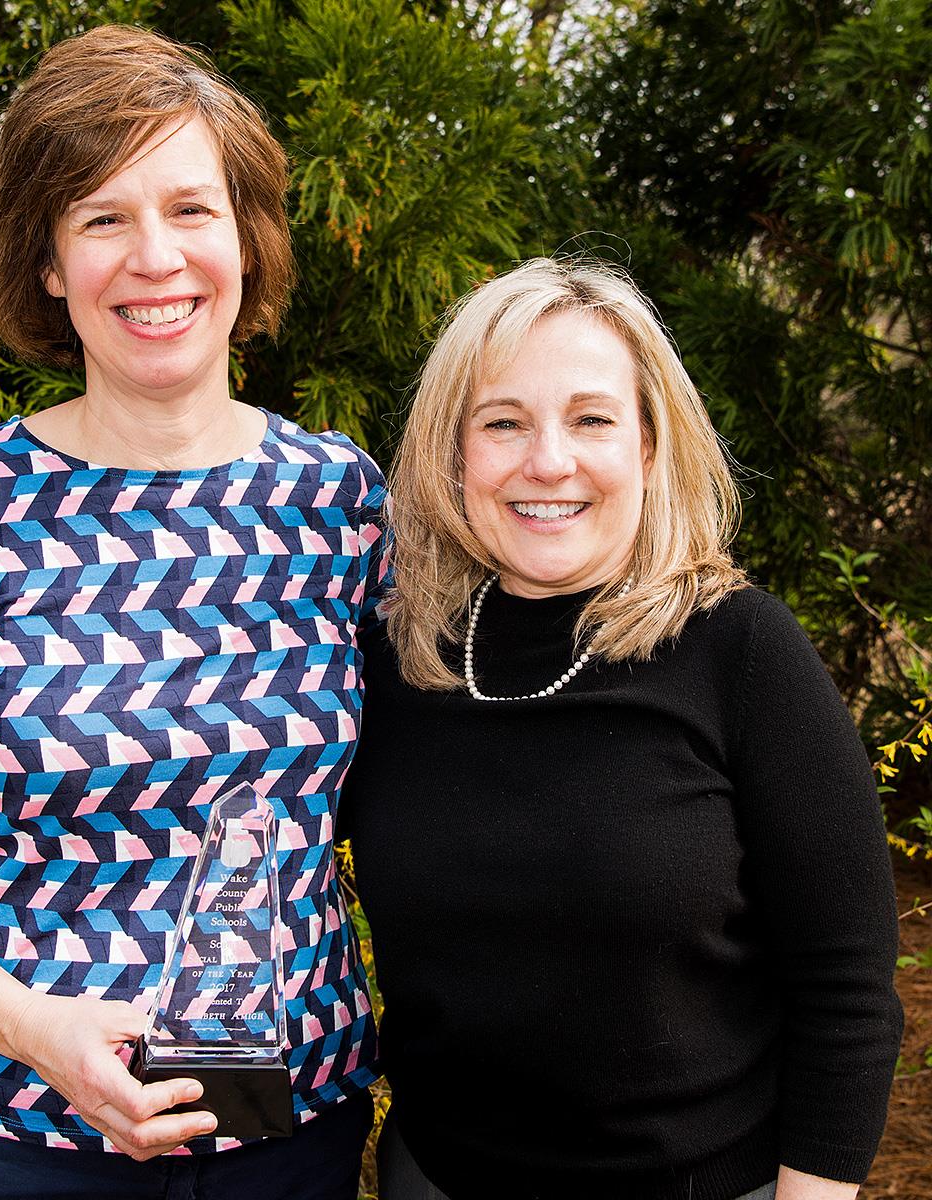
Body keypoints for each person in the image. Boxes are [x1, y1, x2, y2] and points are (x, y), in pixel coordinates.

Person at [0, 25, 386, 1200]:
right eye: (103, 218)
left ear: (246, 240)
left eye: (192, 209)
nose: (156, 257)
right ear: (48, 264)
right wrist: (28, 1025)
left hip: (288, 1138)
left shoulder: (342, 503)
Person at [339, 257, 903, 1200]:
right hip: (435, 1179)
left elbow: (847, 987)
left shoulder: (740, 649)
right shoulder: (399, 660)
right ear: (453, 455)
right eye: (503, 422)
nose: (547, 461)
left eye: (591, 418)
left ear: (648, 447)